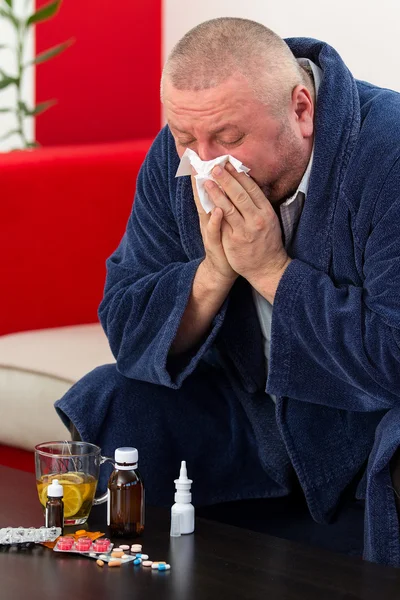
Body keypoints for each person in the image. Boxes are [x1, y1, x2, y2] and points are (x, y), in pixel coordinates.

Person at [55, 18, 400, 566]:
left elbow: (394, 353)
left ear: (302, 109)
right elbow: (125, 320)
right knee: (114, 391)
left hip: (364, 426)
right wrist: (215, 271)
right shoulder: (180, 153)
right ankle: (121, 573)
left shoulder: (388, 151)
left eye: (231, 138)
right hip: (248, 417)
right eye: (186, 138)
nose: (206, 163)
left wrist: (269, 270)